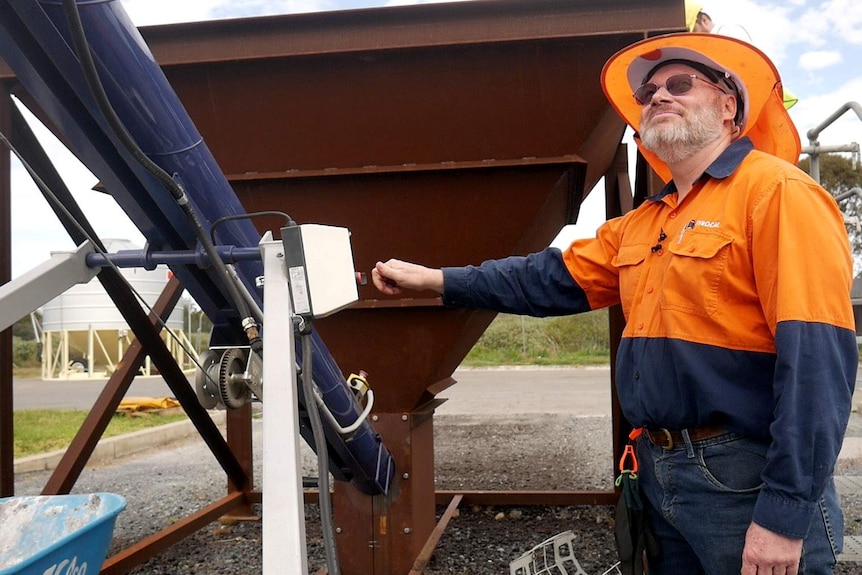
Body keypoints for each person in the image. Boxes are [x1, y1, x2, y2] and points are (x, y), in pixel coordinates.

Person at [371, 33, 858, 575]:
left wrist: (784, 515)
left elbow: (817, 364)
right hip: (660, 467)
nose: (658, 96)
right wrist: (439, 280)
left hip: (743, 472)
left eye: (679, 84)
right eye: (649, 91)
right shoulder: (647, 222)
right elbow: (547, 278)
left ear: (728, 107)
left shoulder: (778, 194)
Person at [685, 1, 799, 108]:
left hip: (758, 102)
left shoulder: (726, 32)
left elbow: (744, 73)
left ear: (704, 20)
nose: (694, 41)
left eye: (694, 31)